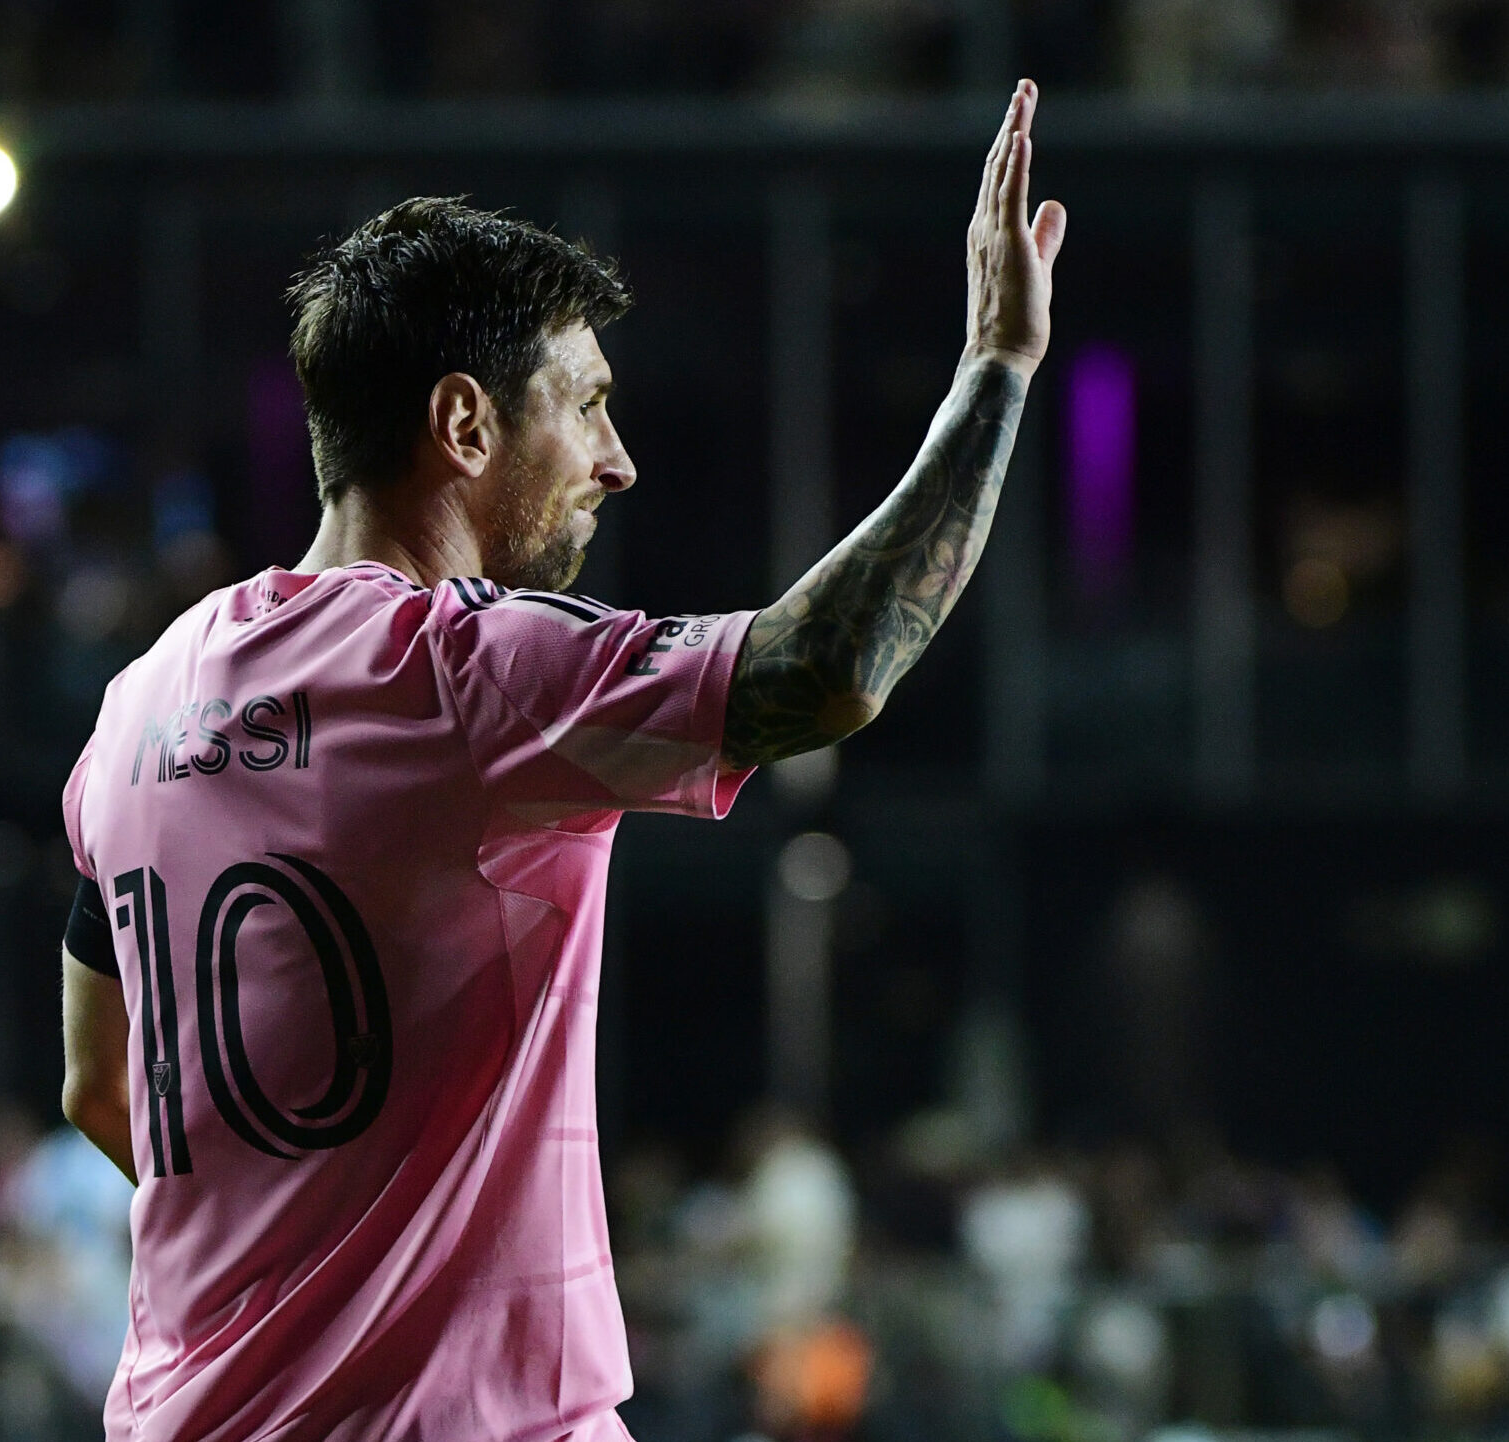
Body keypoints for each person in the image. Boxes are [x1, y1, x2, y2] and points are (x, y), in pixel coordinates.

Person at [54, 79, 1067, 1442]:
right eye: (584, 407)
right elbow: (826, 665)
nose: (619, 459)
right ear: (466, 426)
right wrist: (993, 375)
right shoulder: (462, 667)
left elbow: (97, 1086)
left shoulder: (139, 703)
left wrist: (312, 1256)